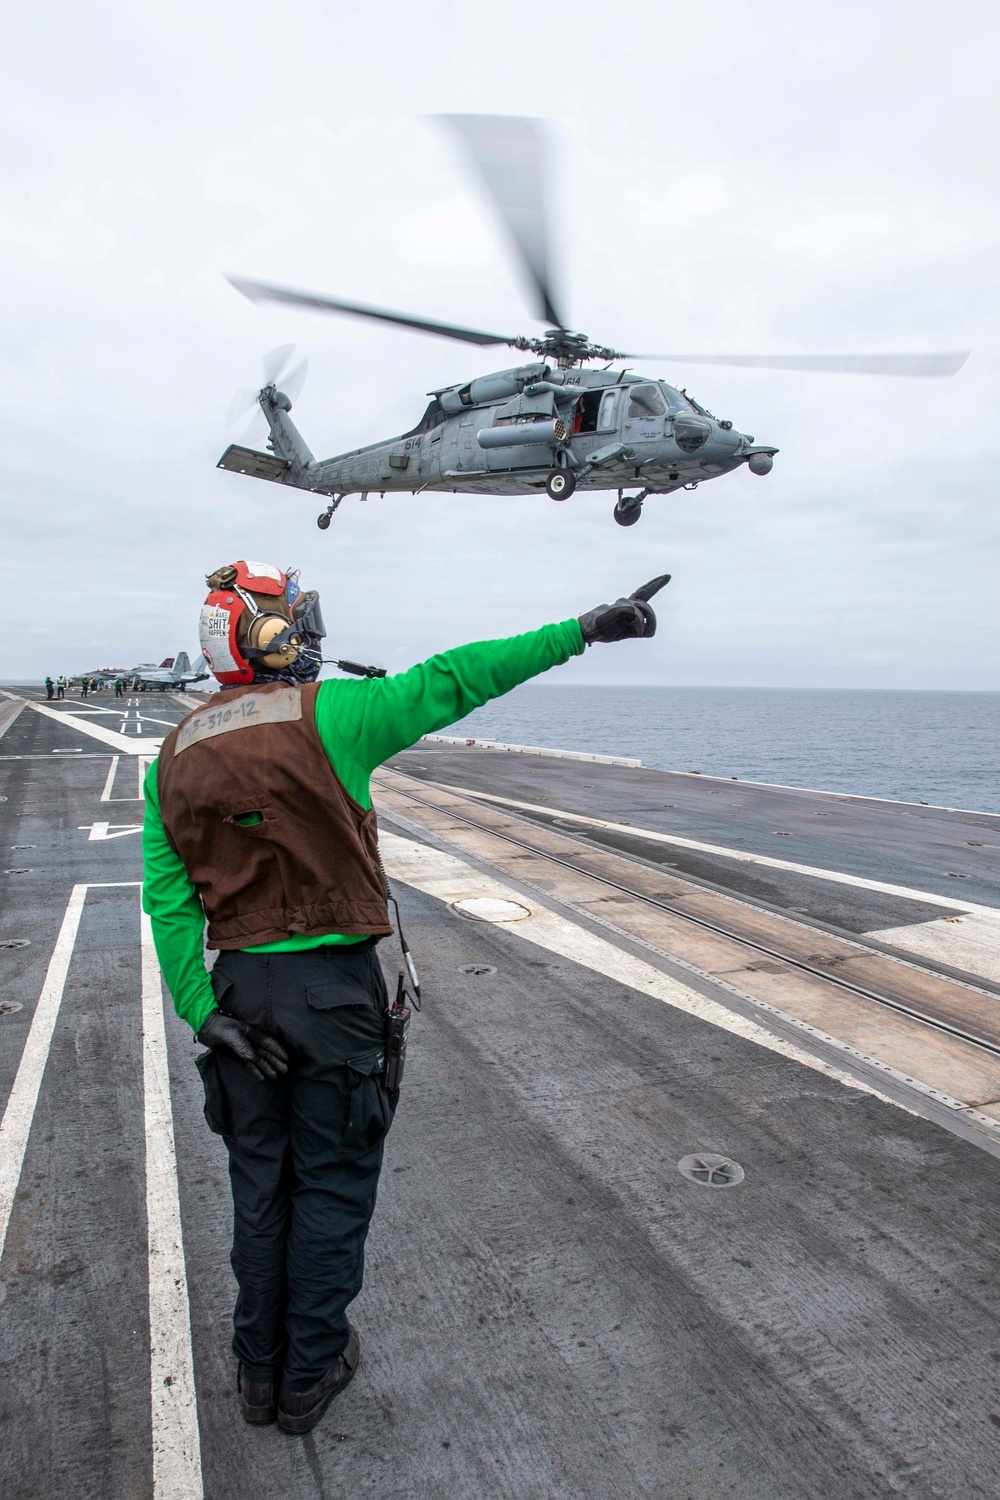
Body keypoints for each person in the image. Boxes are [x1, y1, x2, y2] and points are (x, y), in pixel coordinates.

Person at [142, 559, 663, 1437]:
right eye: (290, 620)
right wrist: (582, 630)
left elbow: (166, 903)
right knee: (335, 1187)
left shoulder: (175, 754)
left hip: (238, 994)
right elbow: (458, 677)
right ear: (271, 637)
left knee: (260, 1186)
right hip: (333, 996)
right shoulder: (336, 715)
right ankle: (309, 1375)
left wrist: (207, 1014)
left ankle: (255, 1373)